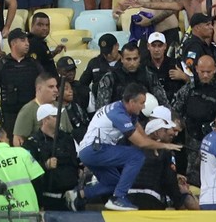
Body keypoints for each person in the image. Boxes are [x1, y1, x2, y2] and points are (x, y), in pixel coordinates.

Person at [76, 83, 180, 211]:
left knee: (115, 182)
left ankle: (79, 195)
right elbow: (140, 143)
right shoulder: (119, 114)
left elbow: (141, 131)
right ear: (131, 102)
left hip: (90, 151)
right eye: (142, 103)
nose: (144, 106)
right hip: (94, 150)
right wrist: (164, 145)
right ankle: (118, 198)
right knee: (136, 156)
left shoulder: (126, 110)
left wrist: (153, 146)